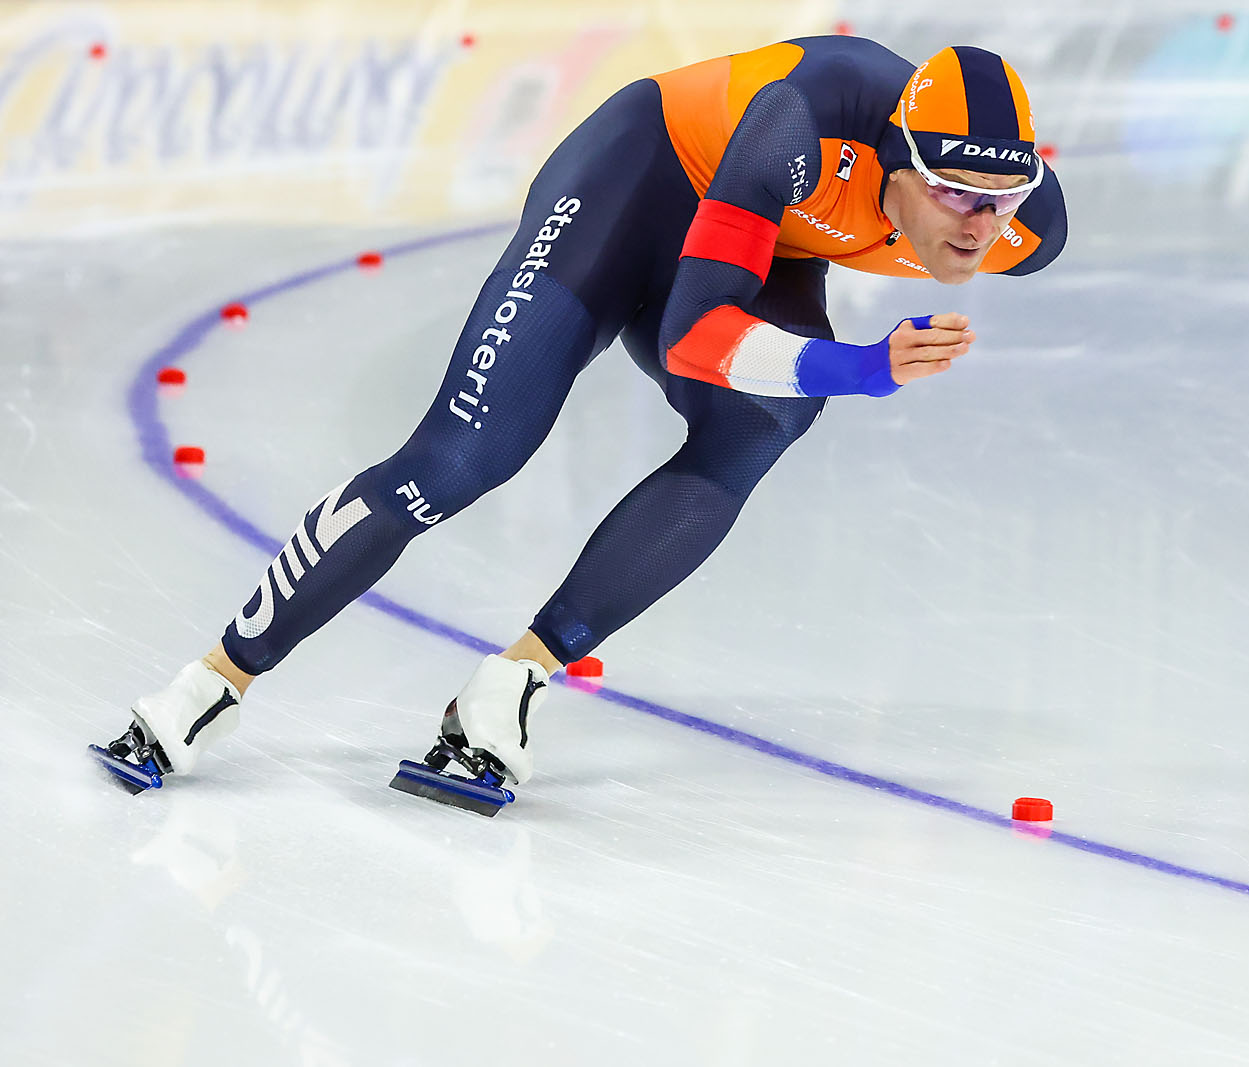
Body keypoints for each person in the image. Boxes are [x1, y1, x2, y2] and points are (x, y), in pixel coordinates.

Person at [90, 36, 1068, 812]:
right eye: (950, 192)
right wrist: (861, 365)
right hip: (637, 182)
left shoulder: (1023, 226)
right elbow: (693, 337)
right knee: (468, 453)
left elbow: (766, 314)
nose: (977, 225)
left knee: (762, 426)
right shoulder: (799, 127)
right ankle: (206, 686)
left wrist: (831, 363)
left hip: (765, 241)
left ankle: (513, 681)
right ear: (896, 159)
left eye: (999, 198)